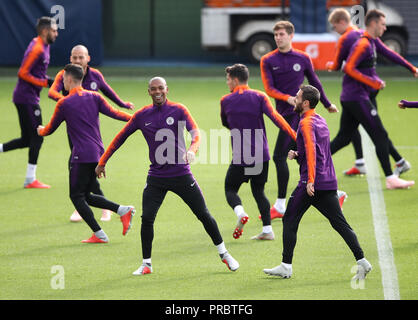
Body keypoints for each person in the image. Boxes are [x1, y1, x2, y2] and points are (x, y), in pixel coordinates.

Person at [95, 77, 240, 275]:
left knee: (203, 215)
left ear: (167, 89)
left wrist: (192, 150)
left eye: (160, 88)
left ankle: (224, 254)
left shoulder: (179, 109)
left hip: (181, 175)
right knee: (147, 219)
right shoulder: (141, 115)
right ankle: (146, 264)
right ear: (149, 92)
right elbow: (119, 139)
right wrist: (102, 161)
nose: (157, 92)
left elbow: (195, 133)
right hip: (156, 178)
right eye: (153, 89)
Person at [263, 85, 372, 280]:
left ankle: (286, 266)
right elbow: (318, 150)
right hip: (328, 181)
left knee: (289, 220)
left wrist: (310, 180)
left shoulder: (304, 124)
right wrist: (297, 154)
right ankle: (362, 261)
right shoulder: (319, 120)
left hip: (311, 183)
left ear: (305, 103)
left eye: (297, 97)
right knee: (340, 224)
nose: (294, 100)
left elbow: (313, 153)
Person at [37, 64, 135, 243]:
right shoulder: (95, 97)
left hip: (81, 155)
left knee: (76, 196)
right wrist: (136, 119)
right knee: (87, 195)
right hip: (98, 154)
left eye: (63, 79)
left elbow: (50, 129)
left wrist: (40, 130)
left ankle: (99, 234)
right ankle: (123, 210)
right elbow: (116, 113)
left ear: (68, 79)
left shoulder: (64, 103)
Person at [260, 20, 342, 220]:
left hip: (299, 117)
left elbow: (314, 82)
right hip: (284, 116)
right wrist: (285, 97)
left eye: (282, 34)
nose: (278, 38)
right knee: (302, 154)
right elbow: (269, 89)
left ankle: (280, 205)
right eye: (276, 35)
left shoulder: (303, 58)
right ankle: (335, 194)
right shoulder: (267, 60)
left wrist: (327, 103)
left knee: (281, 156)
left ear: (291, 36)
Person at [329, 9, 416, 189]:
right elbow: (348, 68)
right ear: (374, 23)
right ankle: (391, 177)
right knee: (380, 134)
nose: (385, 28)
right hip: (357, 97)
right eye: (383, 24)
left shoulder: (369, 40)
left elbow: (389, 53)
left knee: (344, 137)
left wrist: (412, 68)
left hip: (354, 96)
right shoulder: (362, 43)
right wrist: (373, 81)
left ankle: (311, 161)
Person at [220, 63, 296, 241]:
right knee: (259, 191)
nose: (227, 83)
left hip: (241, 156)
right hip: (261, 155)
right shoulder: (259, 96)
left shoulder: (226, 100)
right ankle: (268, 230)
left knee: (230, 189)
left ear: (236, 80)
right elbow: (277, 118)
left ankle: (240, 213)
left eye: (228, 79)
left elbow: (225, 123)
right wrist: (294, 135)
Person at [0, 17, 58, 189]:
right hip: (26, 98)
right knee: (38, 136)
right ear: (45, 31)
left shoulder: (44, 46)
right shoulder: (37, 48)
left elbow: (38, 73)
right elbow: (23, 73)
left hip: (27, 97)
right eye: (54, 30)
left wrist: (48, 81)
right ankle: (30, 179)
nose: (56, 33)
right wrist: (45, 83)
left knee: (27, 139)